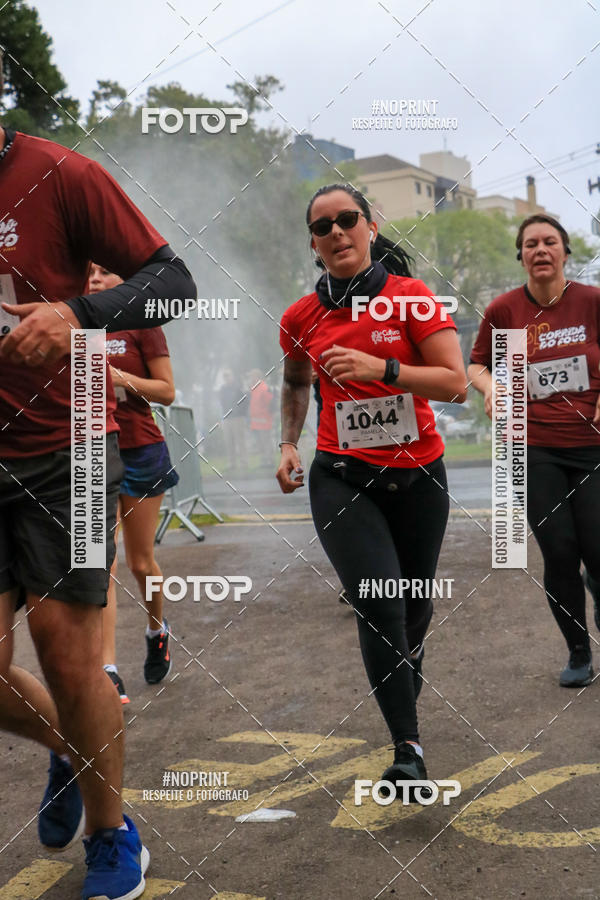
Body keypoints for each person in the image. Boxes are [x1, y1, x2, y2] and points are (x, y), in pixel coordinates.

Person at [0, 116, 195, 900]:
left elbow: (174, 280)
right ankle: (77, 741)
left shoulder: (60, 174)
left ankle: (113, 836)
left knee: (66, 649)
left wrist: (76, 315)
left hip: (72, 445)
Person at [276, 183, 467, 797]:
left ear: (370, 225)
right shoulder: (301, 318)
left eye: (347, 220)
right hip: (341, 478)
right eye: (323, 226)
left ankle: (403, 672)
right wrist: (287, 444)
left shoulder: (411, 299)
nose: (337, 232)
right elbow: (296, 384)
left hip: (419, 480)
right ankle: (407, 750)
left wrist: (382, 369)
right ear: (313, 242)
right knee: (378, 601)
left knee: (413, 605)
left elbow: (455, 383)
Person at [469, 214, 600, 688]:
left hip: (592, 446)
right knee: (560, 552)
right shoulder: (504, 311)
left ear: (565, 252)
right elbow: (477, 364)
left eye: (549, 242)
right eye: (530, 244)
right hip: (532, 445)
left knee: (598, 549)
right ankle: (579, 651)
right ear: (521, 256)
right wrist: (489, 390)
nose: (540, 250)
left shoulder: (591, 302)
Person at [88, 264, 179, 702]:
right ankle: (107, 670)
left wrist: (117, 377)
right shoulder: (74, 325)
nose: (93, 279)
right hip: (91, 452)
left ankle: (157, 629)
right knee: (101, 564)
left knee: (141, 563)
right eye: (86, 272)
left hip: (140, 451)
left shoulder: (142, 322)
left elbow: (166, 391)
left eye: (103, 272)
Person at [249, 368, 274, 467]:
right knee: (260, 442)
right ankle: (264, 460)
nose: (251, 378)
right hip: (256, 420)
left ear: (257, 376)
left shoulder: (263, 387)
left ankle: (270, 461)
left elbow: (270, 402)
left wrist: (265, 412)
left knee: (266, 441)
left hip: (264, 419)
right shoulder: (254, 388)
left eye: (252, 376)